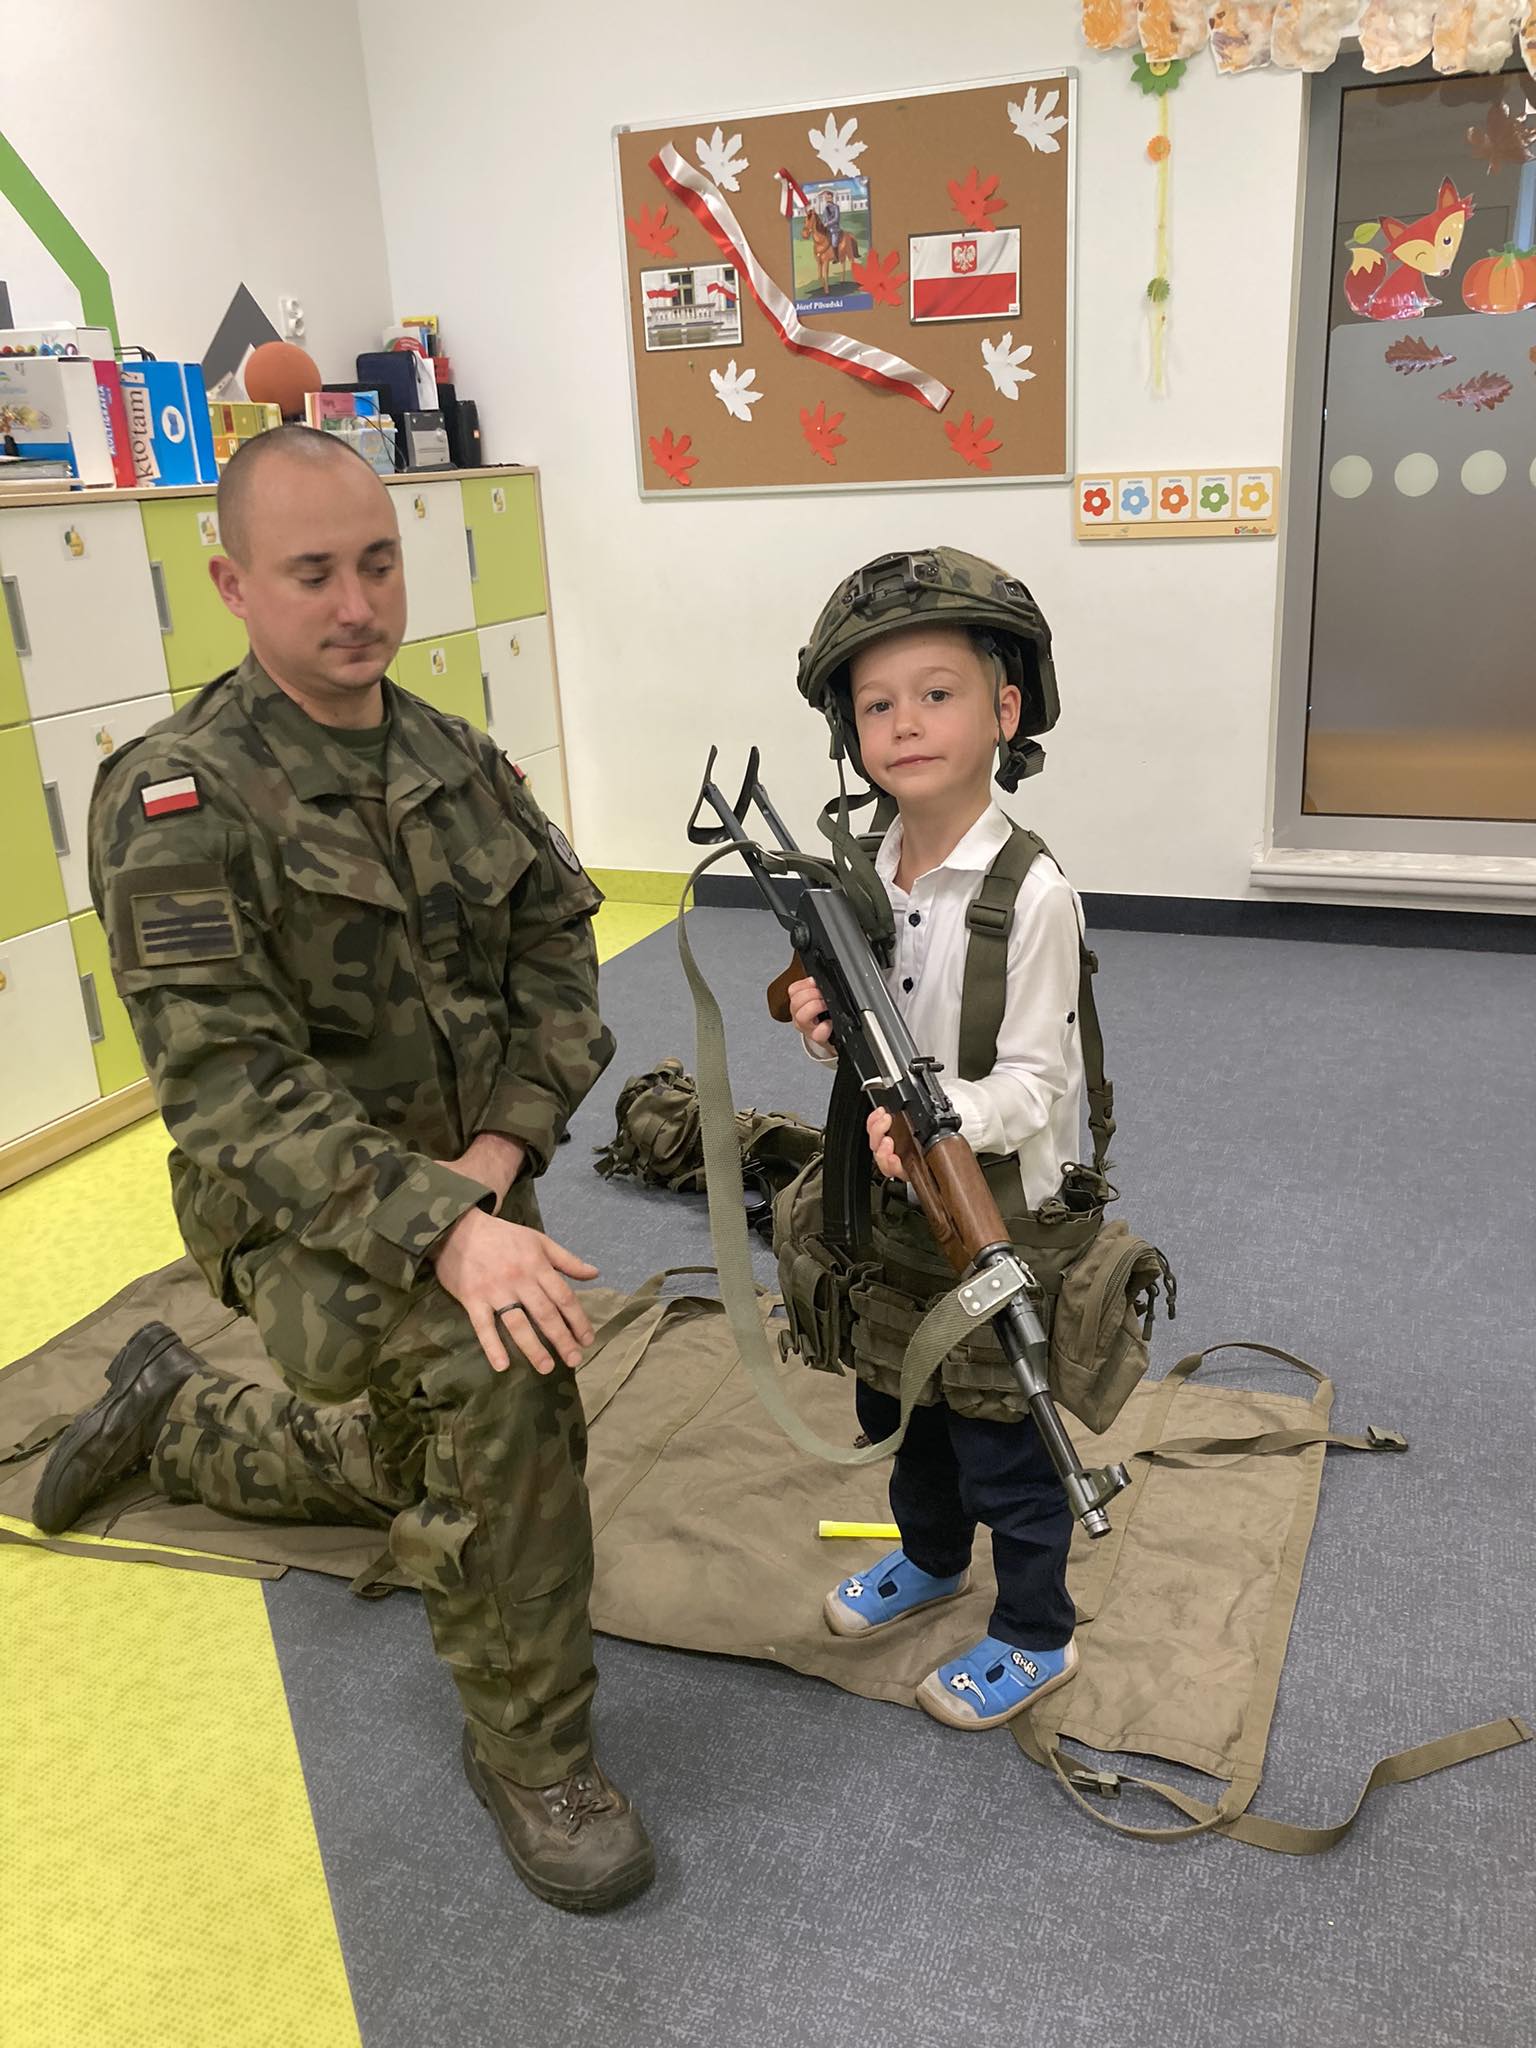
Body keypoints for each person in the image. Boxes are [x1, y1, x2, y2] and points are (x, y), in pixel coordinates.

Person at [30, 425, 654, 1914]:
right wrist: (446, 1226)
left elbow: (560, 955)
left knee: (436, 1435)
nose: (359, 603)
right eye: (313, 572)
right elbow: (225, 1086)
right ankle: (536, 1755)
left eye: (378, 561)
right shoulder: (177, 798)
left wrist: (496, 1157)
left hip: (469, 1175)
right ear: (233, 584)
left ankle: (181, 1420)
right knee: (507, 1379)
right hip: (293, 1210)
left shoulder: (454, 759)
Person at [783, 548, 1091, 1731]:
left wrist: (942, 1115)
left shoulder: (1033, 893)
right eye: (876, 704)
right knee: (899, 1398)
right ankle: (929, 1556)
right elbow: (859, 1013)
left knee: (1000, 1426)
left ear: (1005, 710)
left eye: (937, 693)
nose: (903, 722)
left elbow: (1038, 1082)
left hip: (999, 1204)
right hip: (893, 1203)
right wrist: (819, 1013)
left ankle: (1037, 1630)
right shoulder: (864, 872)